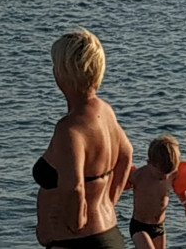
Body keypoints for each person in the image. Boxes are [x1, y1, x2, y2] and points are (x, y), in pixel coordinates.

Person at [34, 29, 133, 249]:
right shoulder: (105, 112)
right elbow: (126, 154)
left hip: (77, 241)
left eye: (55, 66)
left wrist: (74, 223)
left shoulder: (69, 129)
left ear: (64, 73)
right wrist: (109, 201)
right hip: (108, 232)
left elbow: (75, 187)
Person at [128, 134, 186, 249]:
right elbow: (118, 185)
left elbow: (179, 189)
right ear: (149, 163)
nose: (165, 177)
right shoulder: (138, 176)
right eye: (161, 173)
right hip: (139, 226)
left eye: (168, 173)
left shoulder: (172, 174)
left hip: (159, 226)